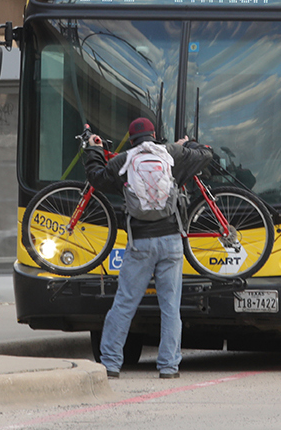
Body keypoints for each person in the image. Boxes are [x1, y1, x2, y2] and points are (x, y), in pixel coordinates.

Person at [82, 117, 211, 380]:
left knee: (125, 303)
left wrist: (94, 151)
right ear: (154, 136)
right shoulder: (172, 155)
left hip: (140, 242)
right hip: (171, 242)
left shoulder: (123, 161)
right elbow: (207, 156)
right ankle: (168, 366)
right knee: (170, 307)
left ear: (131, 140)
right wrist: (189, 144)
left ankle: (111, 363)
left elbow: (97, 178)